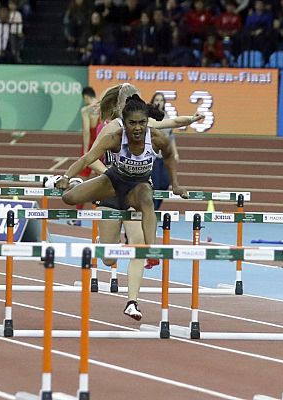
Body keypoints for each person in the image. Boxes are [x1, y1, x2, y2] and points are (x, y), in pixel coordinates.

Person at [83, 83, 202, 320]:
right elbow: (89, 160)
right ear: (119, 105)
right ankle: (104, 241)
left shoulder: (143, 125)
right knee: (109, 257)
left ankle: (132, 302)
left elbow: (172, 123)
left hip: (135, 191)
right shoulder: (109, 129)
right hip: (110, 191)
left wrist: (192, 118)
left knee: (138, 245)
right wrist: (110, 173)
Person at [68, 86, 99, 226]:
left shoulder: (85, 110)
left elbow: (86, 131)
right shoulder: (101, 106)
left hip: (90, 146)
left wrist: (86, 152)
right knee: (104, 181)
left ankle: (77, 217)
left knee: (81, 182)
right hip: (102, 146)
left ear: (86, 97)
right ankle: (105, 216)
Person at [149, 92, 179, 210]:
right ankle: (153, 209)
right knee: (155, 184)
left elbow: (170, 137)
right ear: (152, 101)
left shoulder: (167, 117)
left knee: (165, 182)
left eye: (161, 100)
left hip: (164, 156)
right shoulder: (149, 118)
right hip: (153, 156)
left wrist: (175, 152)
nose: (159, 102)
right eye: (156, 99)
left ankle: (156, 207)